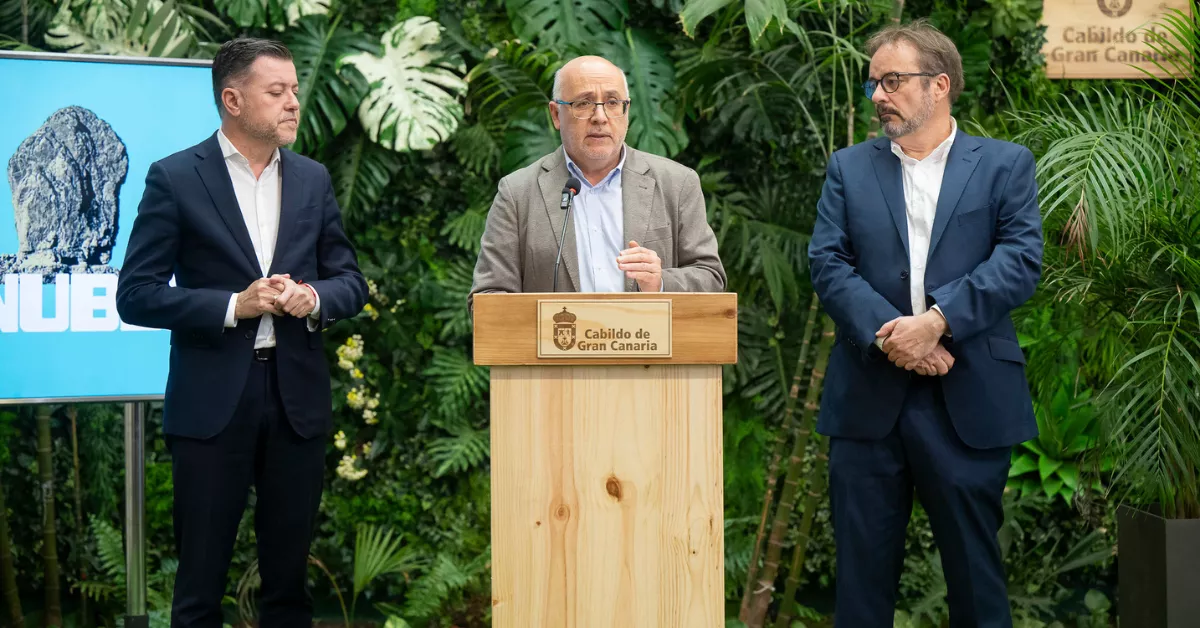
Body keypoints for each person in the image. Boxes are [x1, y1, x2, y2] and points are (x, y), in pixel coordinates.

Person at [115, 37, 367, 627]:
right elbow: (136, 294)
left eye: (295, 92)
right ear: (232, 99)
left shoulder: (312, 179)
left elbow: (349, 280)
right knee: (199, 591)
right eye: (276, 92)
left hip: (296, 403)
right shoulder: (175, 178)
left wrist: (312, 298)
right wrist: (234, 305)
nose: (293, 104)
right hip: (210, 407)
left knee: (289, 591)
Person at [807, 19, 1043, 628]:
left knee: (976, 582)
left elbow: (1020, 261)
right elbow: (827, 264)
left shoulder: (1003, 165)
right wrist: (898, 335)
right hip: (867, 399)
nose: (879, 95)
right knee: (860, 586)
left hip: (968, 399)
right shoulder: (848, 168)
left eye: (892, 81)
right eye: (873, 84)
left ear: (939, 84)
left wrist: (937, 322)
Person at [469, 55, 725, 300]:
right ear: (557, 114)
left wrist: (659, 283)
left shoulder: (677, 184)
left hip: (648, 344)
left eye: (612, 103)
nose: (600, 117)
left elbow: (710, 278)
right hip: (555, 342)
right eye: (583, 103)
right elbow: (488, 297)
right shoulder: (517, 193)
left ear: (626, 111)